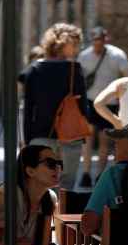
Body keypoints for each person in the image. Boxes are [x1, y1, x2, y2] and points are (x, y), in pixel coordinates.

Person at [21, 23, 89, 189]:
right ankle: (61, 215)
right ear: (66, 45)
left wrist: (28, 138)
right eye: (76, 44)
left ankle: (44, 215)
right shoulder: (74, 69)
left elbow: (28, 108)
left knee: (41, 186)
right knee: (66, 187)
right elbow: (83, 106)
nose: (77, 49)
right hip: (71, 135)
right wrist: (82, 134)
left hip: (41, 134)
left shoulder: (34, 69)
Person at [77, 26, 128, 187]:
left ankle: (100, 174)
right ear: (92, 41)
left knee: (104, 139)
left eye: (100, 40)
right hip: (90, 101)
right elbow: (78, 79)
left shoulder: (117, 55)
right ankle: (86, 174)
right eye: (95, 41)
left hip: (110, 103)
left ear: (105, 39)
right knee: (87, 138)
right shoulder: (84, 56)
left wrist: (123, 98)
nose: (98, 44)